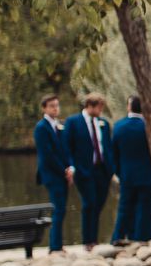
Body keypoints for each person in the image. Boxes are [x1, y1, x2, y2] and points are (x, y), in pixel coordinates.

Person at [62, 92, 114, 246]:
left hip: (102, 170)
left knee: (99, 204)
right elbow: (67, 147)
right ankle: (88, 241)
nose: (101, 111)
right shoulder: (73, 122)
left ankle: (94, 239)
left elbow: (108, 146)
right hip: (84, 170)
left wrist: (112, 168)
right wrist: (71, 166)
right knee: (89, 203)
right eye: (99, 107)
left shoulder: (103, 123)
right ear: (90, 106)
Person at [110, 96, 151, 244]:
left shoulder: (119, 126)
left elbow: (114, 153)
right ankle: (142, 238)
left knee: (124, 207)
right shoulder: (150, 126)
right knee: (145, 208)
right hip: (148, 175)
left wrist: (119, 172)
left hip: (127, 175)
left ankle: (118, 237)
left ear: (129, 107)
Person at [32, 93, 72, 252]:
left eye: (57, 105)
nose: (55, 108)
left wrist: (70, 167)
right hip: (52, 175)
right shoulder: (41, 127)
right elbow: (47, 154)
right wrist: (63, 170)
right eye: (52, 106)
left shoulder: (59, 125)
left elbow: (65, 149)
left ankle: (58, 245)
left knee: (62, 208)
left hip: (63, 173)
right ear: (44, 108)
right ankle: (55, 246)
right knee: (58, 209)